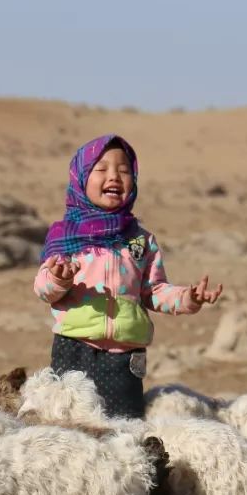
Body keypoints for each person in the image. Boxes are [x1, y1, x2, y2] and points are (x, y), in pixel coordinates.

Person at [33, 133, 223, 418]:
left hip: (124, 359)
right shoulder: (66, 237)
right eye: (101, 169)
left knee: (125, 431)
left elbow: (154, 291)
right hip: (74, 350)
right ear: (81, 178)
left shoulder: (140, 241)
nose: (114, 177)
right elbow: (43, 288)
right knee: (70, 428)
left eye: (124, 171)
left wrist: (187, 298)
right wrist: (59, 279)